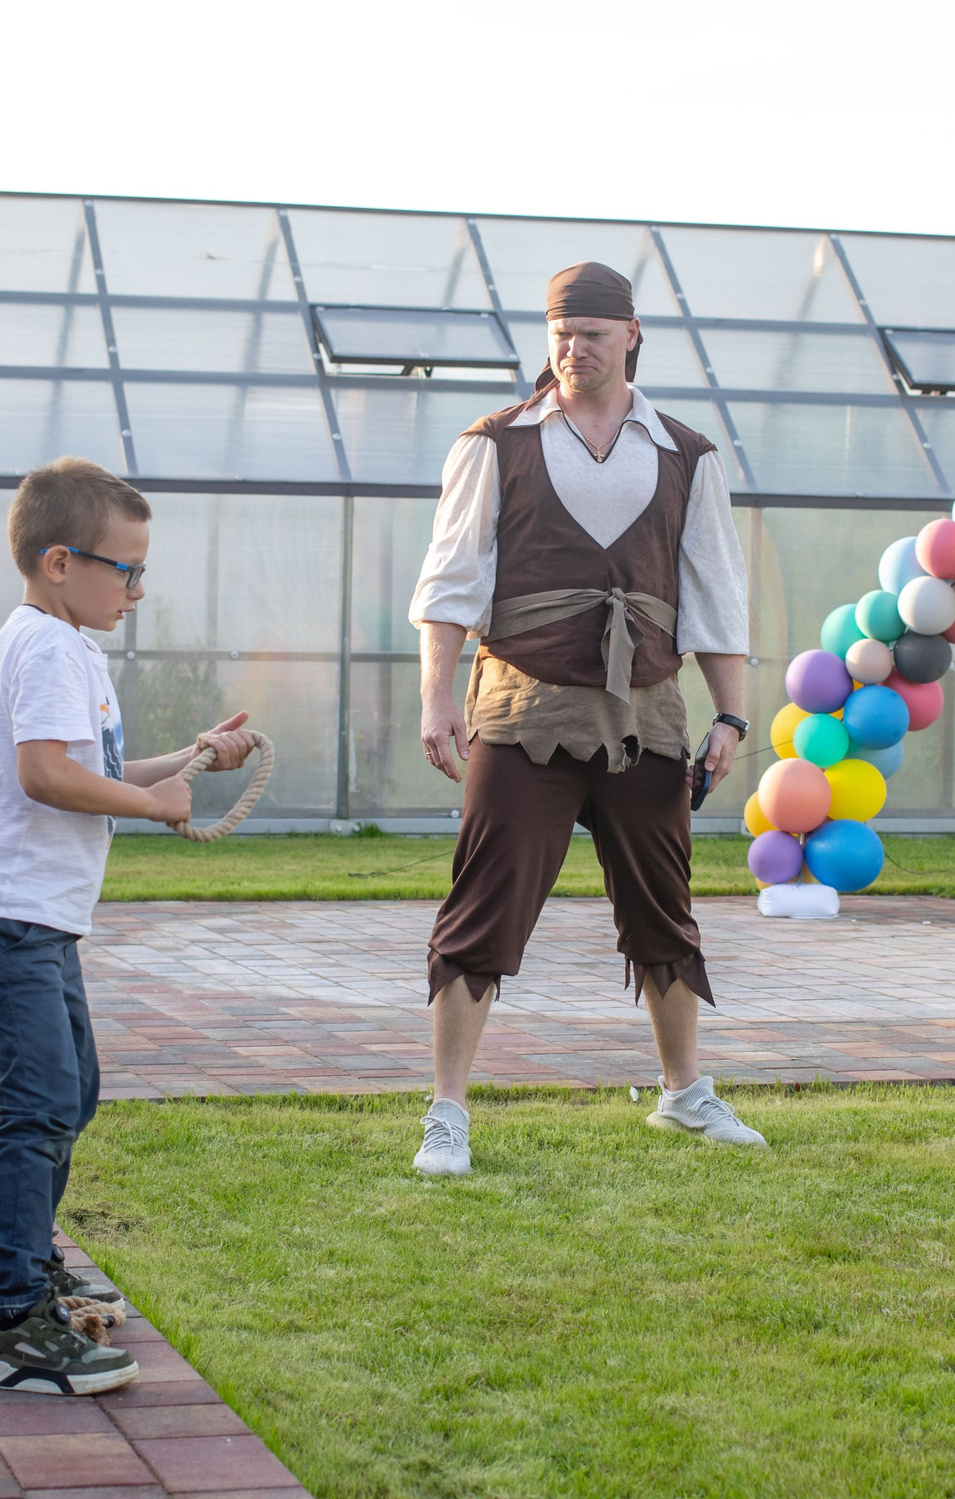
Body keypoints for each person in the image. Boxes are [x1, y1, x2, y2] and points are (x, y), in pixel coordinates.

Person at [409, 260, 760, 1176]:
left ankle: (685, 1094)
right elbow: (449, 586)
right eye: (562, 334)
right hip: (524, 708)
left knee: (664, 907)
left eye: (593, 334)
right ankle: (446, 1114)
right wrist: (437, 696)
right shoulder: (493, 443)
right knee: (484, 905)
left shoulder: (689, 454)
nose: (574, 349)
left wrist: (732, 716)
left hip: (647, 713)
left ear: (631, 335)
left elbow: (715, 596)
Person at [0, 456, 254, 1394]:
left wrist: (193, 759)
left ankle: (31, 1269)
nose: (139, 589)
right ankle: (5, 1323)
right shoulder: (43, 645)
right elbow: (47, 776)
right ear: (60, 561)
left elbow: (96, 765)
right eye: (127, 569)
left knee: (70, 1094)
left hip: (35, 919)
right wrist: (158, 809)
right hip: (2, 918)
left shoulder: (69, 646)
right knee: (37, 1104)